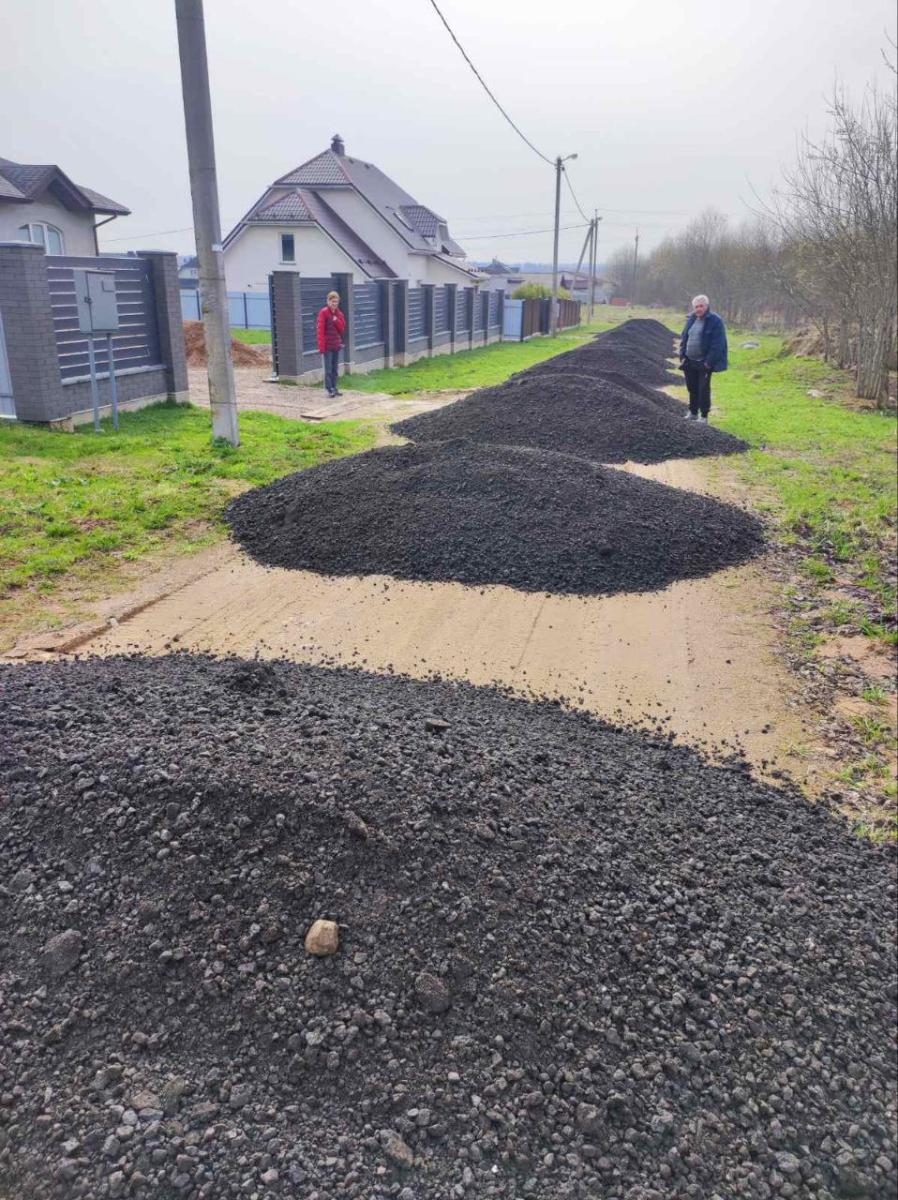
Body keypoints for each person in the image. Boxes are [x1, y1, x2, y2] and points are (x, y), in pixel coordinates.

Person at [678, 294, 728, 423]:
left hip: (704, 363)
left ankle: (704, 416)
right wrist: (682, 356)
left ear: (707, 306)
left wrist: (708, 363)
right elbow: (684, 337)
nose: (698, 309)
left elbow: (718, 344)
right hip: (689, 361)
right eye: (696, 306)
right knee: (692, 388)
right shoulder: (691, 319)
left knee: (703, 389)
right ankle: (693, 412)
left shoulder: (715, 321)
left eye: (701, 306)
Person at [317, 291, 347, 398]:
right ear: (328, 301)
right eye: (332, 301)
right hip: (327, 346)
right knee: (328, 369)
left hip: (336, 345)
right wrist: (321, 347)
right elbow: (320, 331)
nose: (334, 304)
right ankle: (329, 389)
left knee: (335, 369)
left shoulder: (339, 314)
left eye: (336, 302)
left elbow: (342, 328)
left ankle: (334, 387)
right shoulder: (323, 312)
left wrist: (336, 320)